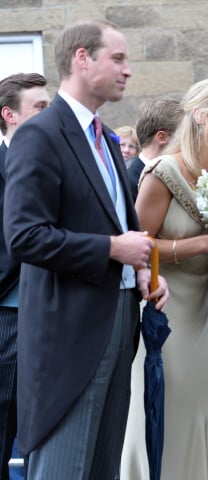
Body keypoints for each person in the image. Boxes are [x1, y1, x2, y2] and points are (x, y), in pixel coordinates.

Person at [2, 20, 169, 480]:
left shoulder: (107, 139)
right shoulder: (41, 134)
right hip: (69, 335)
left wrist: (142, 270)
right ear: (81, 59)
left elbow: (121, 225)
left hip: (119, 319)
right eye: (117, 58)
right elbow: (24, 236)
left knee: (102, 468)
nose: (128, 70)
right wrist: (112, 249)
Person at [122, 77, 208, 480]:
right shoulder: (164, 171)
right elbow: (135, 248)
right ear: (200, 114)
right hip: (162, 314)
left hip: (201, 319)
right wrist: (203, 244)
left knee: (203, 415)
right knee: (165, 416)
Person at [0, 72, 50, 480]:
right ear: (9, 115)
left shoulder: (57, 165)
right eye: (40, 108)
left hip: (55, 317)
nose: (49, 115)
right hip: (8, 318)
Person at [126, 95, 183, 201]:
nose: (188, 141)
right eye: (184, 134)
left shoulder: (173, 173)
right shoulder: (130, 184)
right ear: (162, 137)